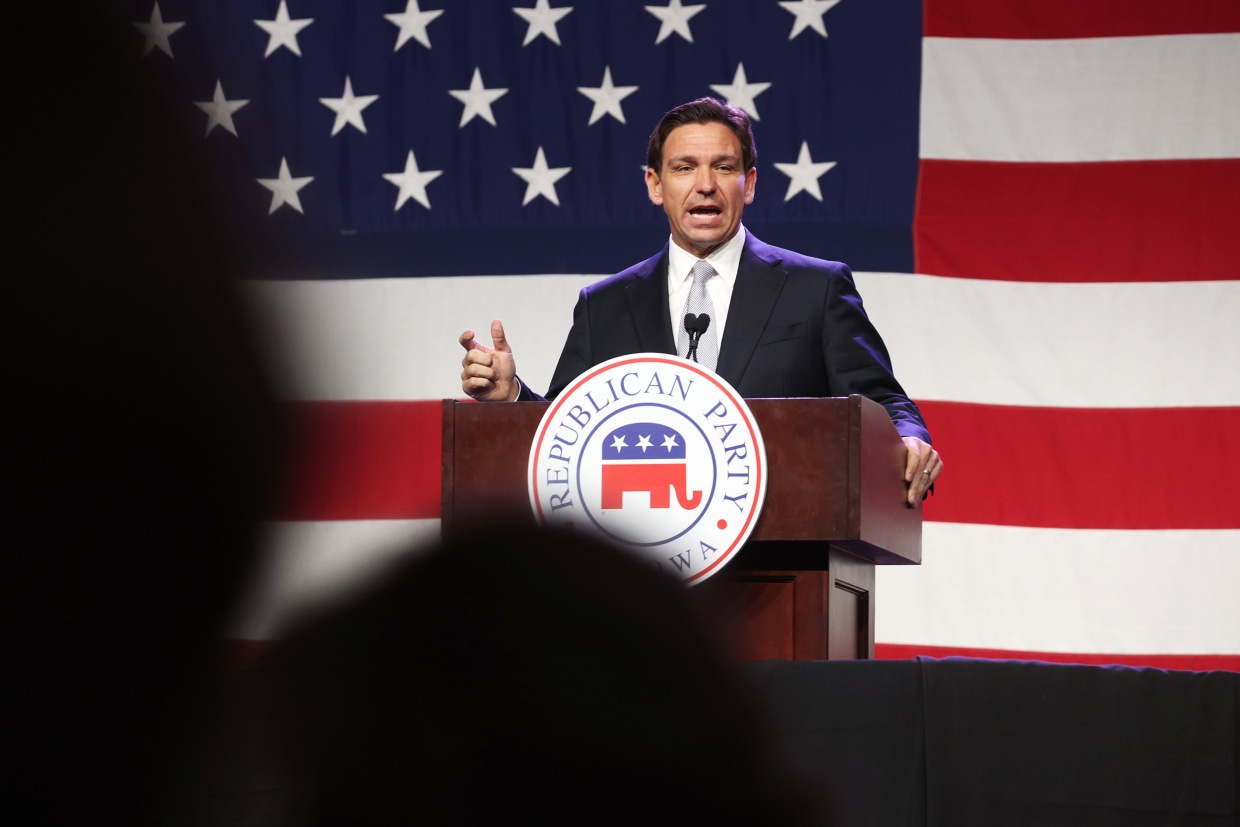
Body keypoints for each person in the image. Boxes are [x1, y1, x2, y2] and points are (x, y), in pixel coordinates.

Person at [460, 97, 941, 506]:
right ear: (655, 185)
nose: (705, 184)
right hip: (646, 568)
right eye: (684, 168)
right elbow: (567, 435)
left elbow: (885, 403)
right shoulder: (603, 306)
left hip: (786, 557)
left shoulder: (816, 287)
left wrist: (908, 438)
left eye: (724, 167)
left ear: (748, 184)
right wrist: (512, 397)